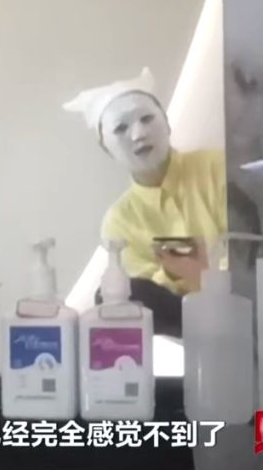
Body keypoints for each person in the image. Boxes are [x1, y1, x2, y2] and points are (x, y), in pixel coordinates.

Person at [63, 68, 228, 334]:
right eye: (121, 128)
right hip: (181, 325)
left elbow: (250, 250)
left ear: (167, 124)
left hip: (240, 303)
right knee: (117, 297)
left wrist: (207, 276)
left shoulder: (218, 168)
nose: (139, 134)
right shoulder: (119, 221)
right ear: (106, 149)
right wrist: (176, 272)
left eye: (147, 118)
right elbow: (148, 295)